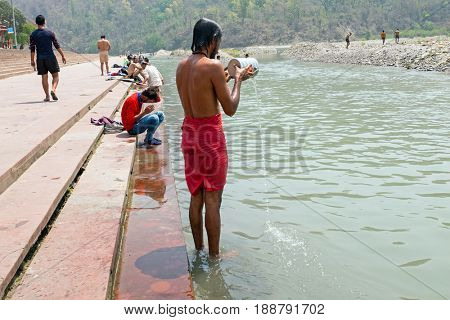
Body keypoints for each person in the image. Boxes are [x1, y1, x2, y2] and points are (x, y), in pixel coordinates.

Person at [176, 18, 253, 257]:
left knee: (196, 194)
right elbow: (229, 108)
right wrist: (238, 80)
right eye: (218, 41)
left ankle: (198, 249)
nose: (218, 47)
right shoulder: (213, 66)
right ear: (212, 40)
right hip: (209, 137)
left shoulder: (181, 66)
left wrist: (228, 79)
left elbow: (203, 90)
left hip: (189, 133)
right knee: (213, 198)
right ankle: (215, 257)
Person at [30, 15, 66, 101]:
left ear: (36, 23)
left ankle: (47, 96)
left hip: (40, 58)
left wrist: (32, 60)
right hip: (50, 57)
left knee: (44, 77)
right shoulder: (50, 33)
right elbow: (57, 45)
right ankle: (53, 90)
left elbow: (32, 49)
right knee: (55, 76)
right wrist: (63, 55)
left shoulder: (33, 34)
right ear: (44, 22)